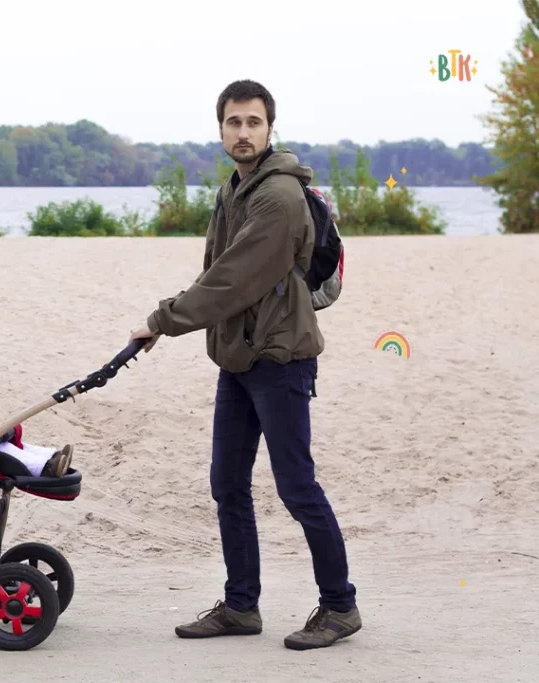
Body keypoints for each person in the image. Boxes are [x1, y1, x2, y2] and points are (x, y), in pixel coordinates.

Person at [127, 79, 360, 651]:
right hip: (239, 358)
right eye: (234, 122)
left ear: (269, 127)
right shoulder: (235, 188)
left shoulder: (277, 197)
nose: (243, 132)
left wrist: (163, 320)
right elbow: (216, 271)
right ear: (222, 129)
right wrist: (177, 316)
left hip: (280, 359)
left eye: (253, 122)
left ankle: (340, 607)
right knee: (227, 483)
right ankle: (240, 606)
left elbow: (234, 279)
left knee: (297, 488)